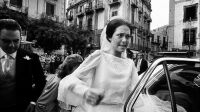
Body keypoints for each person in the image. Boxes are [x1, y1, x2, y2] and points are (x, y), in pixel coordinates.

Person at [0, 19, 46, 112]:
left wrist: (33, 100)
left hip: (21, 108)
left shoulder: (31, 58)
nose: (11, 45)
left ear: (21, 39)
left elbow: (41, 81)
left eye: (16, 41)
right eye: (6, 41)